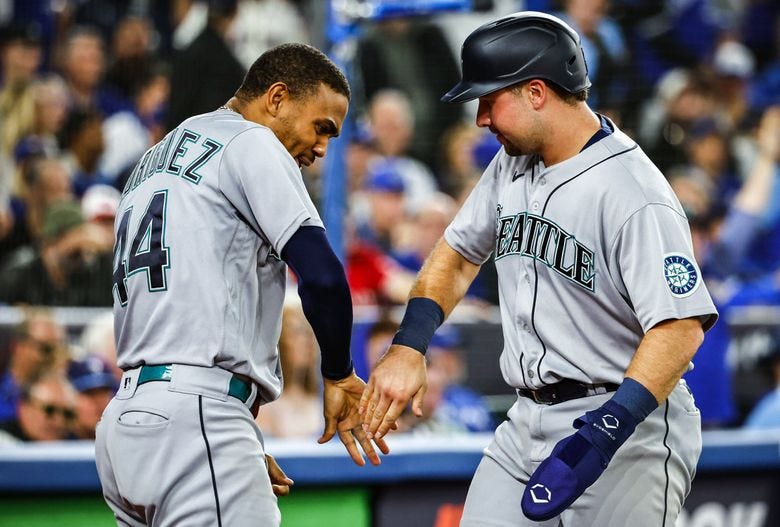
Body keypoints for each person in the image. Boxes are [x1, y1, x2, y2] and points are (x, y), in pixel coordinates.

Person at [360, 12, 718, 526]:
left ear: (536, 92)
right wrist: (409, 345)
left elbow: (680, 328)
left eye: (490, 99)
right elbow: (458, 254)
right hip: (526, 417)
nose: (481, 118)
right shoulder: (512, 161)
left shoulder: (633, 193)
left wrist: (604, 433)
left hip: (625, 425)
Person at [95, 43, 388, 526]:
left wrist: (233, 449)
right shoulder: (251, 141)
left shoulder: (155, 156)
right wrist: (337, 373)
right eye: (322, 127)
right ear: (276, 98)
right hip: (195, 418)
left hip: (129, 424)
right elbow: (321, 275)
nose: (322, 148)